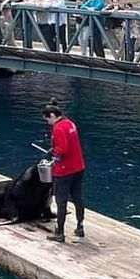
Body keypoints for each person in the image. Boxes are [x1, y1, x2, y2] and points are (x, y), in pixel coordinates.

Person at [42, 100, 85, 243]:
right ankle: (80, 226)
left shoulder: (58, 128)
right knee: (77, 197)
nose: (48, 122)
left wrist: (52, 154)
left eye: (48, 119)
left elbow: (62, 151)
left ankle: (59, 232)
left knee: (61, 201)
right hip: (78, 167)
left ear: (53, 115)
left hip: (64, 171)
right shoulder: (70, 123)